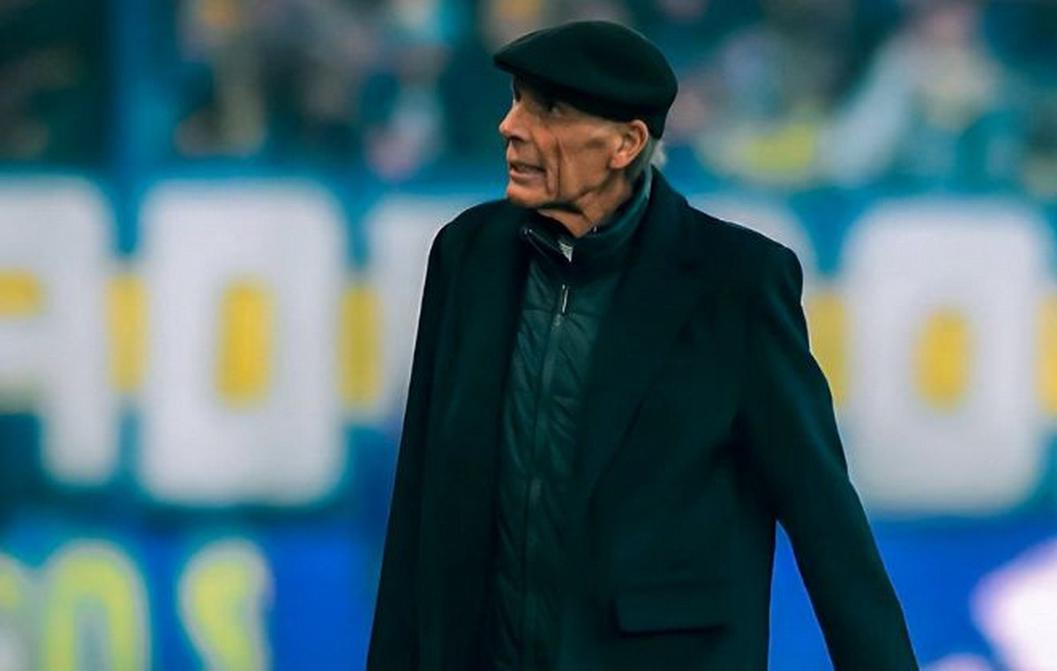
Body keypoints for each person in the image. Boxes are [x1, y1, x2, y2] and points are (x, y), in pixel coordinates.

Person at [367, 20, 918, 671]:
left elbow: (824, 517)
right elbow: (419, 496)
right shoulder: (468, 254)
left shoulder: (735, 282)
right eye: (516, 101)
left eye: (548, 110)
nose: (510, 126)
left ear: (626, 144)